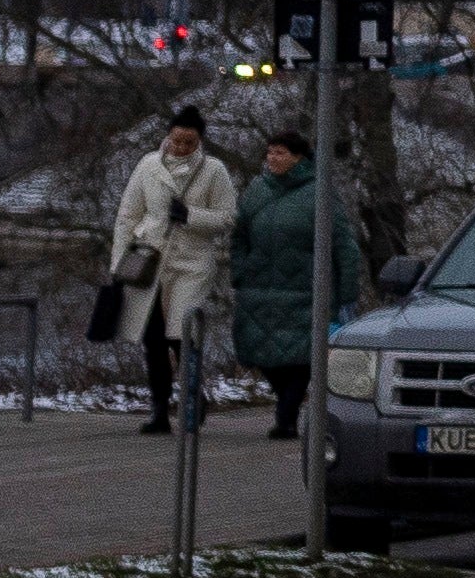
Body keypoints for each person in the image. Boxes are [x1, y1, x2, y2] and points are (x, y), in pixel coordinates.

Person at [99, 107, 237, 435]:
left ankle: (191, 399)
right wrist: (119, 264)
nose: (180, 147)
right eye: (176, 140)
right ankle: (159, 409)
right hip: (149, 262)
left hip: (190, 264)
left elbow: (228, 218)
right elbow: (128, 215)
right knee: (153, 339)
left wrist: (190, 215)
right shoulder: (148, 165)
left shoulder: (214, 171)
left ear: (199, 141)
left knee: (181, 335)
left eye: (189, 142)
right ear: (168, 135)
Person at [228, 130, 326, 442]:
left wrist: (338, 289)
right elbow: (239, 233)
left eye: (280, 153)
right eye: (270, 153)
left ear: (298, 158)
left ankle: (286, 417)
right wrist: (240, 269)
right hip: (258, 286)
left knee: (298, 358)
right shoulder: (257, 189)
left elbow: (340, 243)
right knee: (261, 353)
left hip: (303, 289)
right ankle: (286, 406)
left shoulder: (317, 193)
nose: (273, 159)